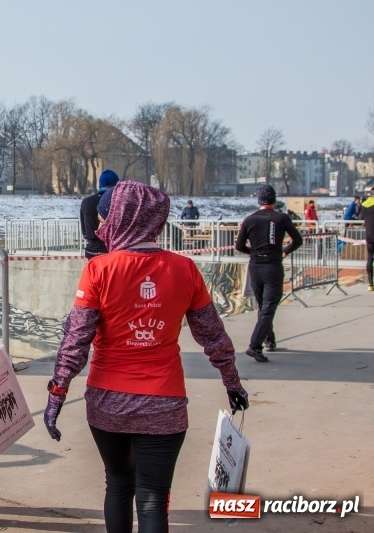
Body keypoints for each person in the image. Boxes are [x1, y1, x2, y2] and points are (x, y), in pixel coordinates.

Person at [43, 180, 249, 533]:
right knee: (154, 498)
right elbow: (213, 336)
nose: (100, 228)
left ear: (122, 219)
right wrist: (232, 382)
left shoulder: (99, 269)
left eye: (104, 220)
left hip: (108, 403)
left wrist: (57, 394)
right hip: (165, 404)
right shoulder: (185, 269)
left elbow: (76, 339)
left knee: (118, 483)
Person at [235, 185, 303, 361]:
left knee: (263, 307)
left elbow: (239, 246)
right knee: (268, 308)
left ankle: (269, 340)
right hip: (273, 267)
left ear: (259, 200)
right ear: (274, 200)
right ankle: (255, 346)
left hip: (255, 267)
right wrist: (285, 251)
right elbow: (298, 240)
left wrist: (253, 252)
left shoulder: (249, 219)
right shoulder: (281, 218)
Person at [80, 169, 119, 259]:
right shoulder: (117, 201)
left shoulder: (86, 202)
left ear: (100, 185)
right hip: (111, 251)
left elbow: (84, 231)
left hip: (91, 251)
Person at [360, 188, 374, 291]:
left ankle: (370, 284)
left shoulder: (364, 204)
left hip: (369, 235)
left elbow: (360, 217)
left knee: (370, 258)